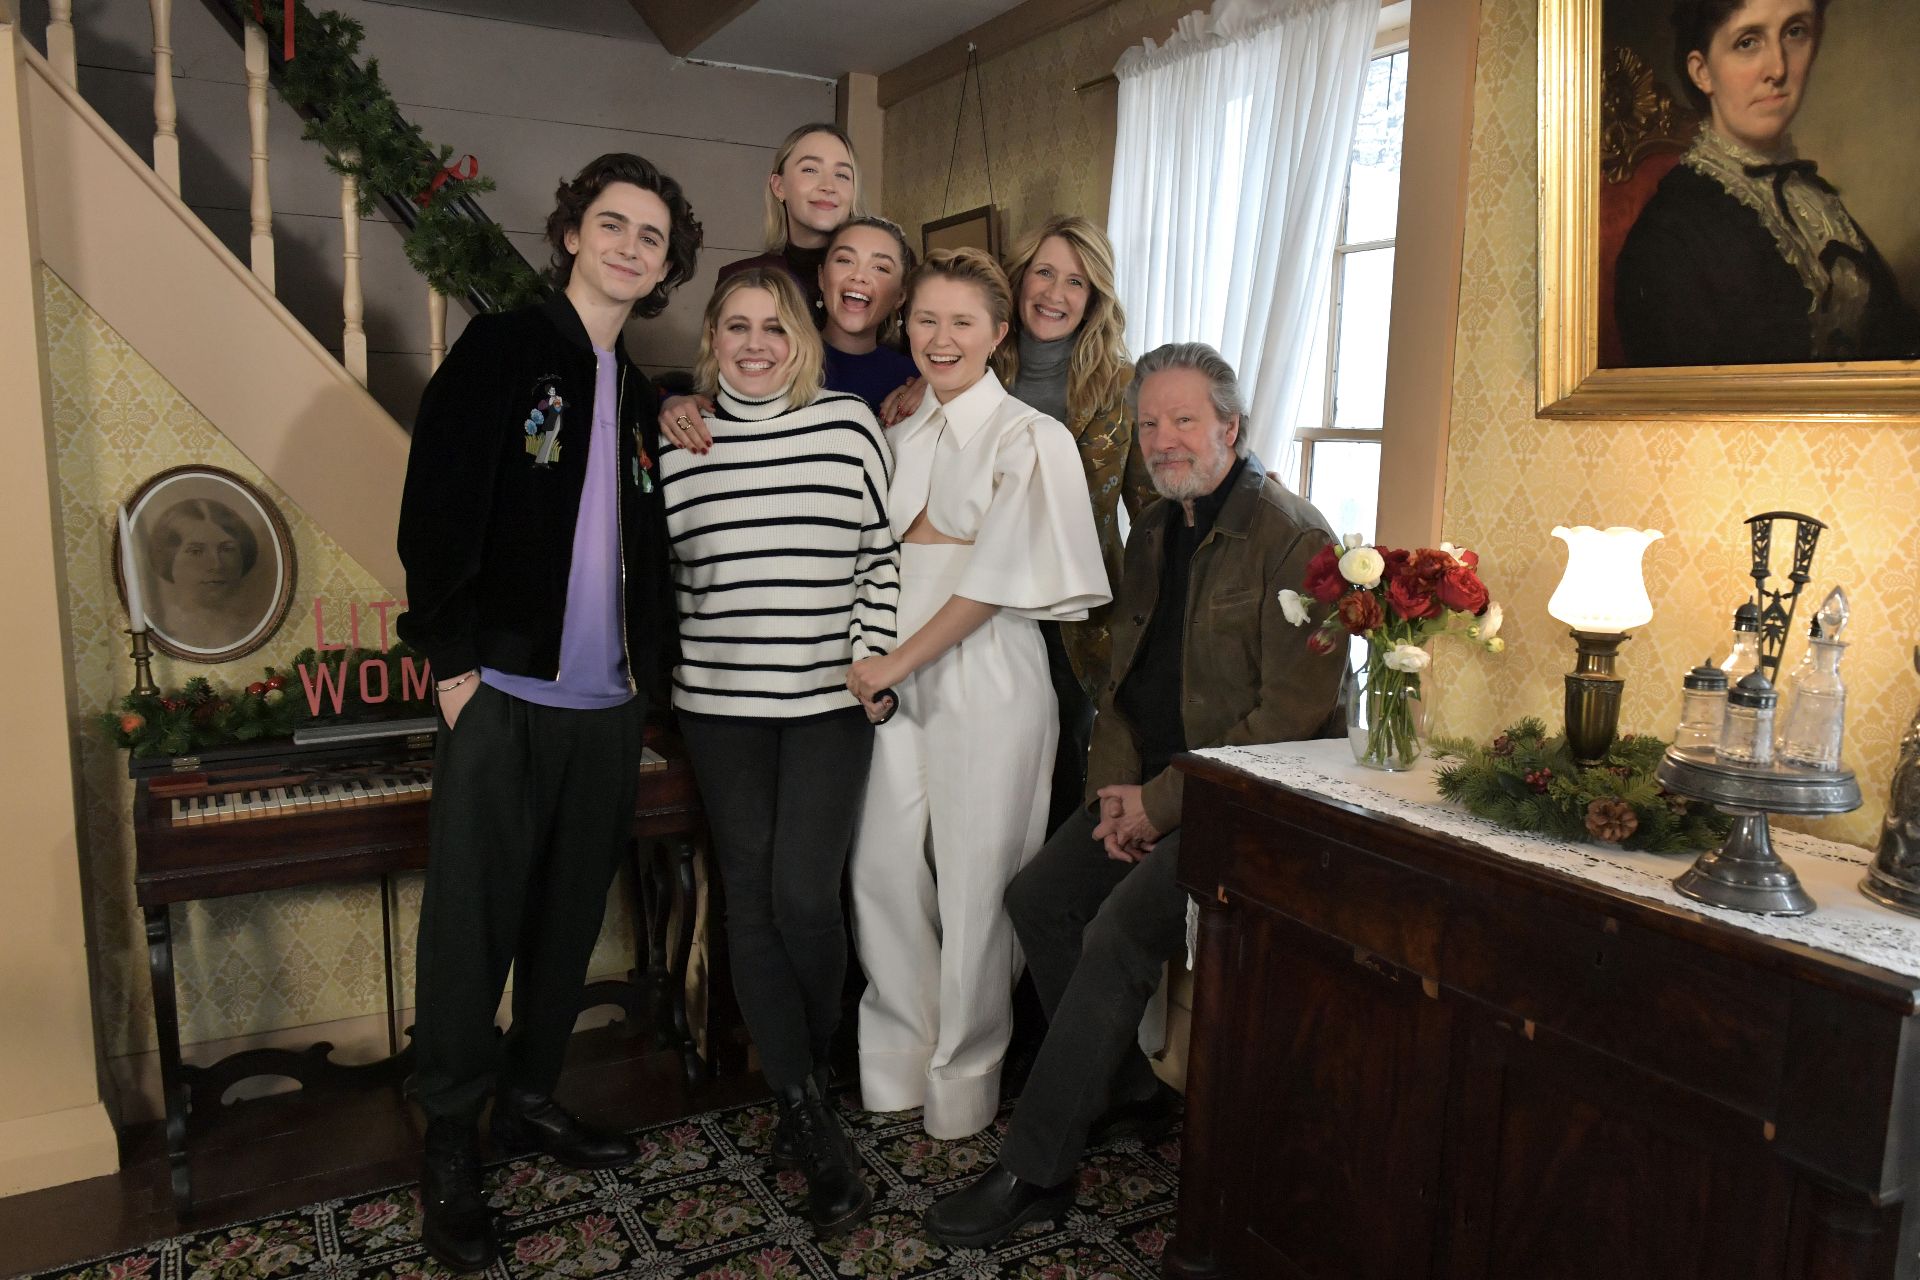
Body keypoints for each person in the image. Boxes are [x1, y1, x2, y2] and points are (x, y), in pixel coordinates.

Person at [922, 342, 1345, 1249]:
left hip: (1240, 806)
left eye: (1184, 420)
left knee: (1116, 932)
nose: (1163, 439)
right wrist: (1116, 787)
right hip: (1147, 783)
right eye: (1150, 423)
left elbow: (1289, 722)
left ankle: (1037, 1170)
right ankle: (1128, 1092)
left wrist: (1163, 804)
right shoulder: (1157, 529)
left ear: (1231, 427)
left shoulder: (1297, 539)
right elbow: (1121, 685)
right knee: (1037, 897)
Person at [394, 152, 701, 1272]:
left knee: (568, 923)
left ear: (668, 266)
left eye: (651, 237)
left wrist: (649, 685)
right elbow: (434, 506)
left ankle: (528, 1098)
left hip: (607, 705)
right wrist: (456, 664)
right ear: (572, 232)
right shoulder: (503, 349)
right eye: (611, 224)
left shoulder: (644, 391)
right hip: (505, 693)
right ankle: (449, 1141)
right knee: (471, 925)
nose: (629, 246)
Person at [844, 248, 1109, 1141]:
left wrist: (891, 663)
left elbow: (990, 583)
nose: (941, 337)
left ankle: (965, 1076)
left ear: (1000, 333)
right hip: (892, 674)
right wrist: (871, 660)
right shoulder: (898, 430)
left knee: (974, 882)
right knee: (879, 865)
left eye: (963, 321)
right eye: (925, 319)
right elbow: (869, 561)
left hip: (987, 674)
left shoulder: (1032, 439)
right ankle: (900, 1052)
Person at [657, 268, 897, 1237]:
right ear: (712, 337)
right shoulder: (679, 443)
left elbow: (882, 551)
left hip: (828, 703)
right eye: (736, 327)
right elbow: (659, 578)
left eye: (773, 326)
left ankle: (817, 1057)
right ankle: (806, 1111)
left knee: (806, 893)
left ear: (801, 336)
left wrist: (868, 653)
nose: (755, 344)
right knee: (749, 901)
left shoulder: (848, 429)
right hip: (718, 709)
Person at [882, 216, 1155, 833]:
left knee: (1053, 776)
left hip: (1073, 613)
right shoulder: (970, 358)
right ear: (1019, 279)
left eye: (1077, 283)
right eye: (1045, 273)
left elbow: (1150, 506)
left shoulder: (1120, 385)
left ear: (1095, 298)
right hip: (966, 605)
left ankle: (1034, 916)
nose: (1056, 294)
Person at [1614, 0, 1920, 366]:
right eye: (1748, 42)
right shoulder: (1669, 235)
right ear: (1702, 72)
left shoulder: (1812, 200)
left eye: (1795, 32)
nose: (1778, 68)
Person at [658, 215, 917, 447]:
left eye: (881, 267)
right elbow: (708, 398)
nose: (859, 276)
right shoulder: (776, 354)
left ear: (901, 295)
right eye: (845, 260)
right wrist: (671, 403)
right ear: (821, 277)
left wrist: (934, 389)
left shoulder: (914, 379)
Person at [717, 121, 861, 318]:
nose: (829, 185)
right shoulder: (737, 277)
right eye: (810, 170)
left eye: (842, 175)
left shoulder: (886, 272)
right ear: (779, 187)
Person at [147, 497, 259, 651]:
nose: (216, 565)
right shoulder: (165, 631)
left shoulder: (251, 629)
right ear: (168, 558)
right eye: (196, 551)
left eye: (227, 549)